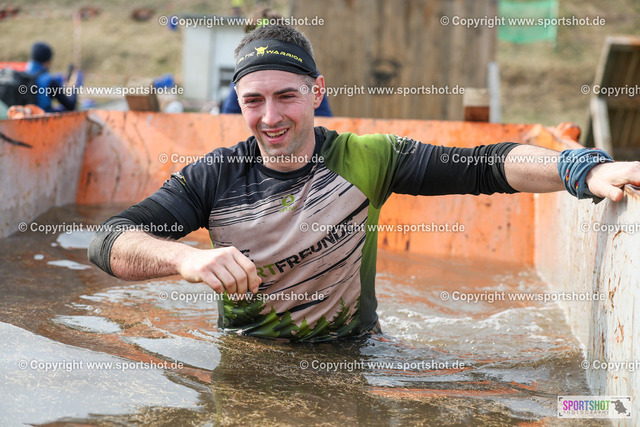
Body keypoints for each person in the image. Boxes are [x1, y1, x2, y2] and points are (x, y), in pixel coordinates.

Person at [89, 25, 640, 342]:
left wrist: (583, 170)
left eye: (286, 96)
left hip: (356, 353)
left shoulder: (366, 158)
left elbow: (485, 165)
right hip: (248, 354)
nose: (269, 117)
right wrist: (185, 259)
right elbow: (108, 240)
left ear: (316, 91)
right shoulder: (215, 175)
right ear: (239, 102)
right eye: (253, 101)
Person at [220, 8, 332, 116]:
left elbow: (324, 118)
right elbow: (229, 118)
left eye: (287, 97)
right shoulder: (242, 76)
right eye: (254, 100)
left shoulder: (306, 70)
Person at [25, 42, 82, 113]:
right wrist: (73, 87)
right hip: (43, 118)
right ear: (47, 61)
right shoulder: (50, 81)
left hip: (24, 117)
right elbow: (70, 105)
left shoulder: (22, 76)